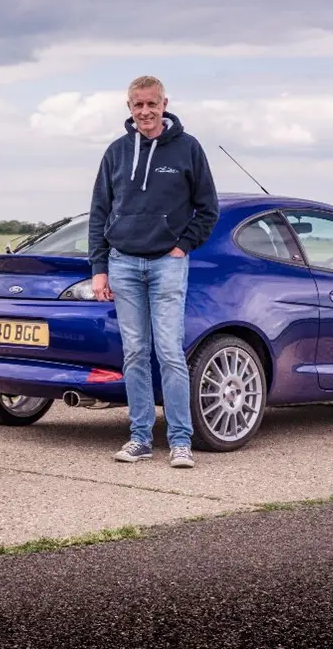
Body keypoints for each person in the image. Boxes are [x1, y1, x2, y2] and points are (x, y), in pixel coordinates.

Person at [87, 76, 219, 468]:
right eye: (137, 105)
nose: (145, 111)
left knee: (169, 353)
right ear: (128, 107)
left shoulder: (188, 149)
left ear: (164, 104)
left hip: (167, 263)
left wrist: (181, 247)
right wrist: (99, 269)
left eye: (151, 104)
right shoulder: (116, 152)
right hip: (123, 263)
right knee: (135, 354)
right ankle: (140, 438)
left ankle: (180, 440)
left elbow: (207, 208)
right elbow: (98, 213)